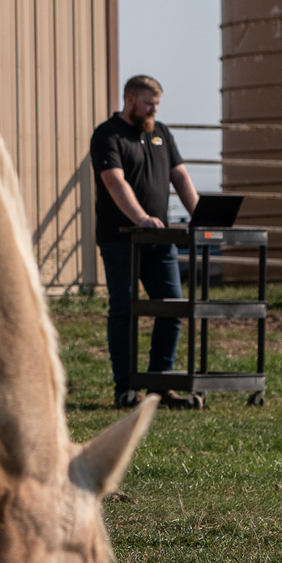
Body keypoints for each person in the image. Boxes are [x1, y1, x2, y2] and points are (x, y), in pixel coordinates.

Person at [91, 74, 201, 409]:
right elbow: (114, 182)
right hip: (121, 240)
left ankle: (160, 386)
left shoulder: (161, 133)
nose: (153, 109)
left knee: (172, 308)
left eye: (157, 104)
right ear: (129, 99)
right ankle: (125, 389)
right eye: (148, 103)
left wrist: (202, 215)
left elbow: (179, 175)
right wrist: (140, 219)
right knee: (124, 310)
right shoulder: (108, 135)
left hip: (161, 240)